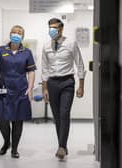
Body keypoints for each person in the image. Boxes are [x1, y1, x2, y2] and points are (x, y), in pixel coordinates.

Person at [42, 18, 86, 160]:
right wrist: (44, 89)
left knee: (64, 113)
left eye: (55, 27)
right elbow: (44, 68)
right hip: (52, 83)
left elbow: (80, 64)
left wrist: (81, 86)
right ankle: (63, 145)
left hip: (67, 82)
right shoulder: (46, 46)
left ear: (61, 29)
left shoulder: (70, 43)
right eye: (50, 27)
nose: (52, 30)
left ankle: (61, 146)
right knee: (57, 116)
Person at [0, 25, 36, 158]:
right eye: (14, 32)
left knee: (18, 120)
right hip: (4, 89)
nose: (16, 34)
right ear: (10, 34)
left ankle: (14, 149)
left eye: (19, 33)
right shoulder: (1, 50)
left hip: (21, 89)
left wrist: (30, 87)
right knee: (2, 120)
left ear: (22, 36)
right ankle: (6, 142)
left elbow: (31, 71)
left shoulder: (27, 52)